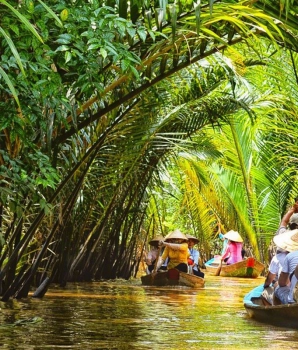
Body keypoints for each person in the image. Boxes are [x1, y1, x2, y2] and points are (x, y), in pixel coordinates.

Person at [273, 229, 298, 304]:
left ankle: (275, 311)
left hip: (294, 301)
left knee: (276, 285)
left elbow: (282, 283)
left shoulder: (290, 256)